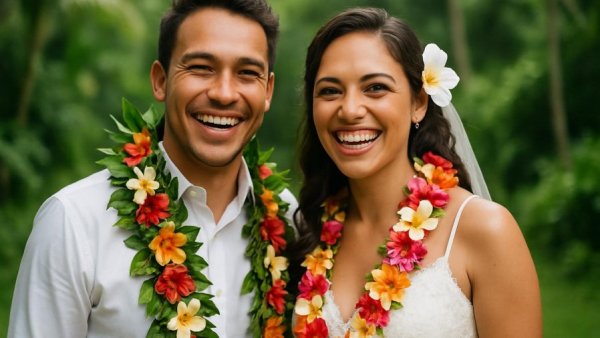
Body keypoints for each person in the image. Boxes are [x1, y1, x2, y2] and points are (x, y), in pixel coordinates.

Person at [8, 0, 297, 337]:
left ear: (268, 91)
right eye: (202, 67)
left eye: (247, 73)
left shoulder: (289, 222)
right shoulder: (75, 223)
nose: (223, 93)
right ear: (160, 81)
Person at [290, 7, 541, 337]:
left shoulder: (485, 230)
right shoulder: (313, 230)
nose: (349, 110)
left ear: (419, 102)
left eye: (375, 87)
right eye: (330, 91)